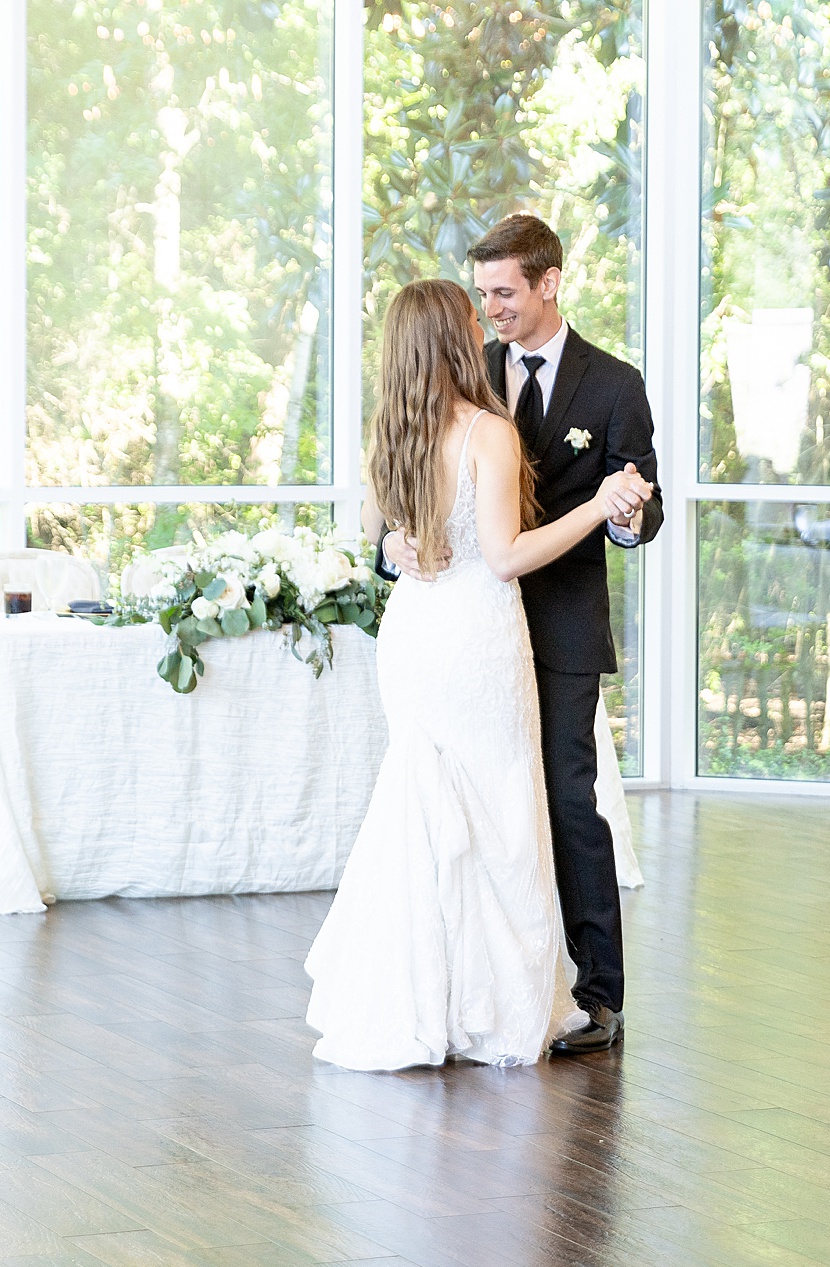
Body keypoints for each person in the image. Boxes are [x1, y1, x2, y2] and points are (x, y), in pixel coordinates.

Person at [303, 278, 654, 1070]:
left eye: (498, 295)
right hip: (474, 639)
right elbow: (502, 557)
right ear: (457, 337)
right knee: (497, 816)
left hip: (416, 637)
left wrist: (396, 546)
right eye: (475, 309)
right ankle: (489, 1003)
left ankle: (424, 995)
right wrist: (598, 505)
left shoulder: (391, 429)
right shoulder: (486, 430)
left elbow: (381, 534)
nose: (487, 317)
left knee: (428, 810)